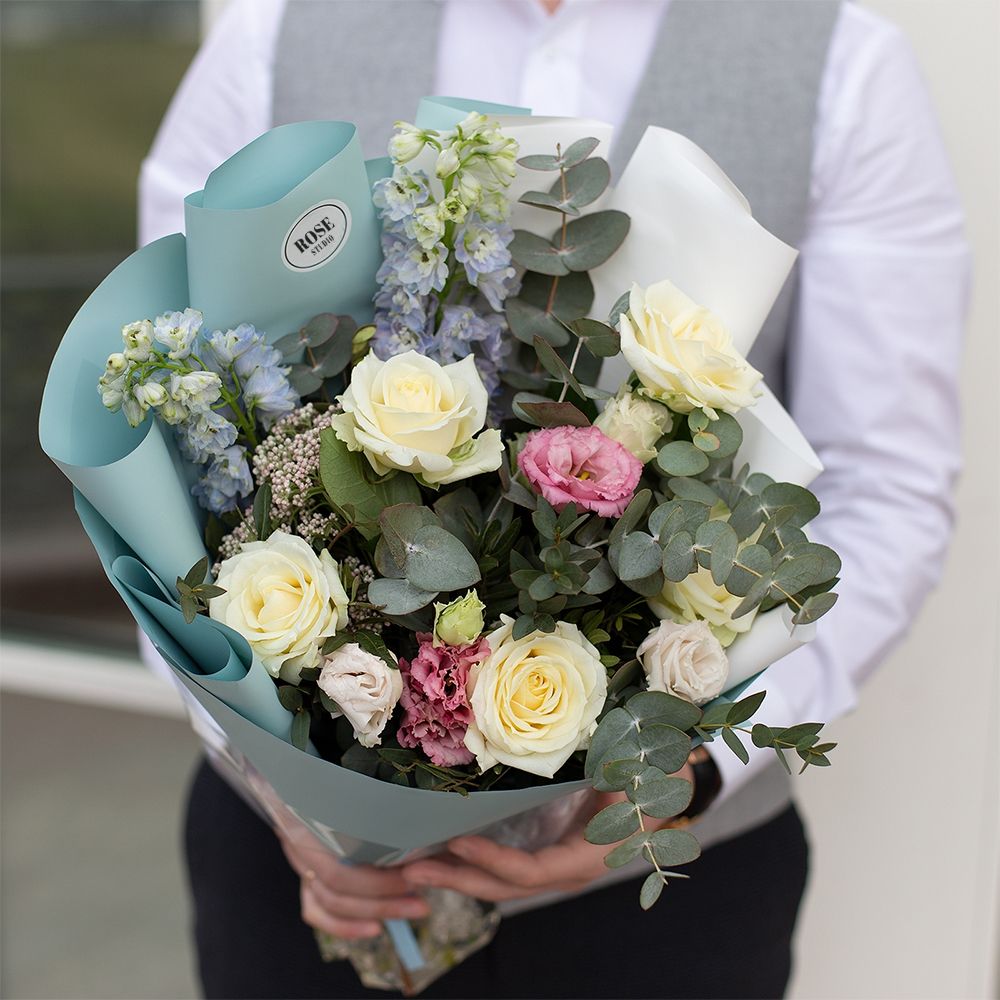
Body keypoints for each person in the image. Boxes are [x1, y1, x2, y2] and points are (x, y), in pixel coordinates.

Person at [139, 1, 969, 997]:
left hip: (664, 911)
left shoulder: (842, 64)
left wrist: (689, 771)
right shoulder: (274, 34)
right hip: (301, 887)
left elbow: (885, 485)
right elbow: (162, 450)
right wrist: (279, 787)